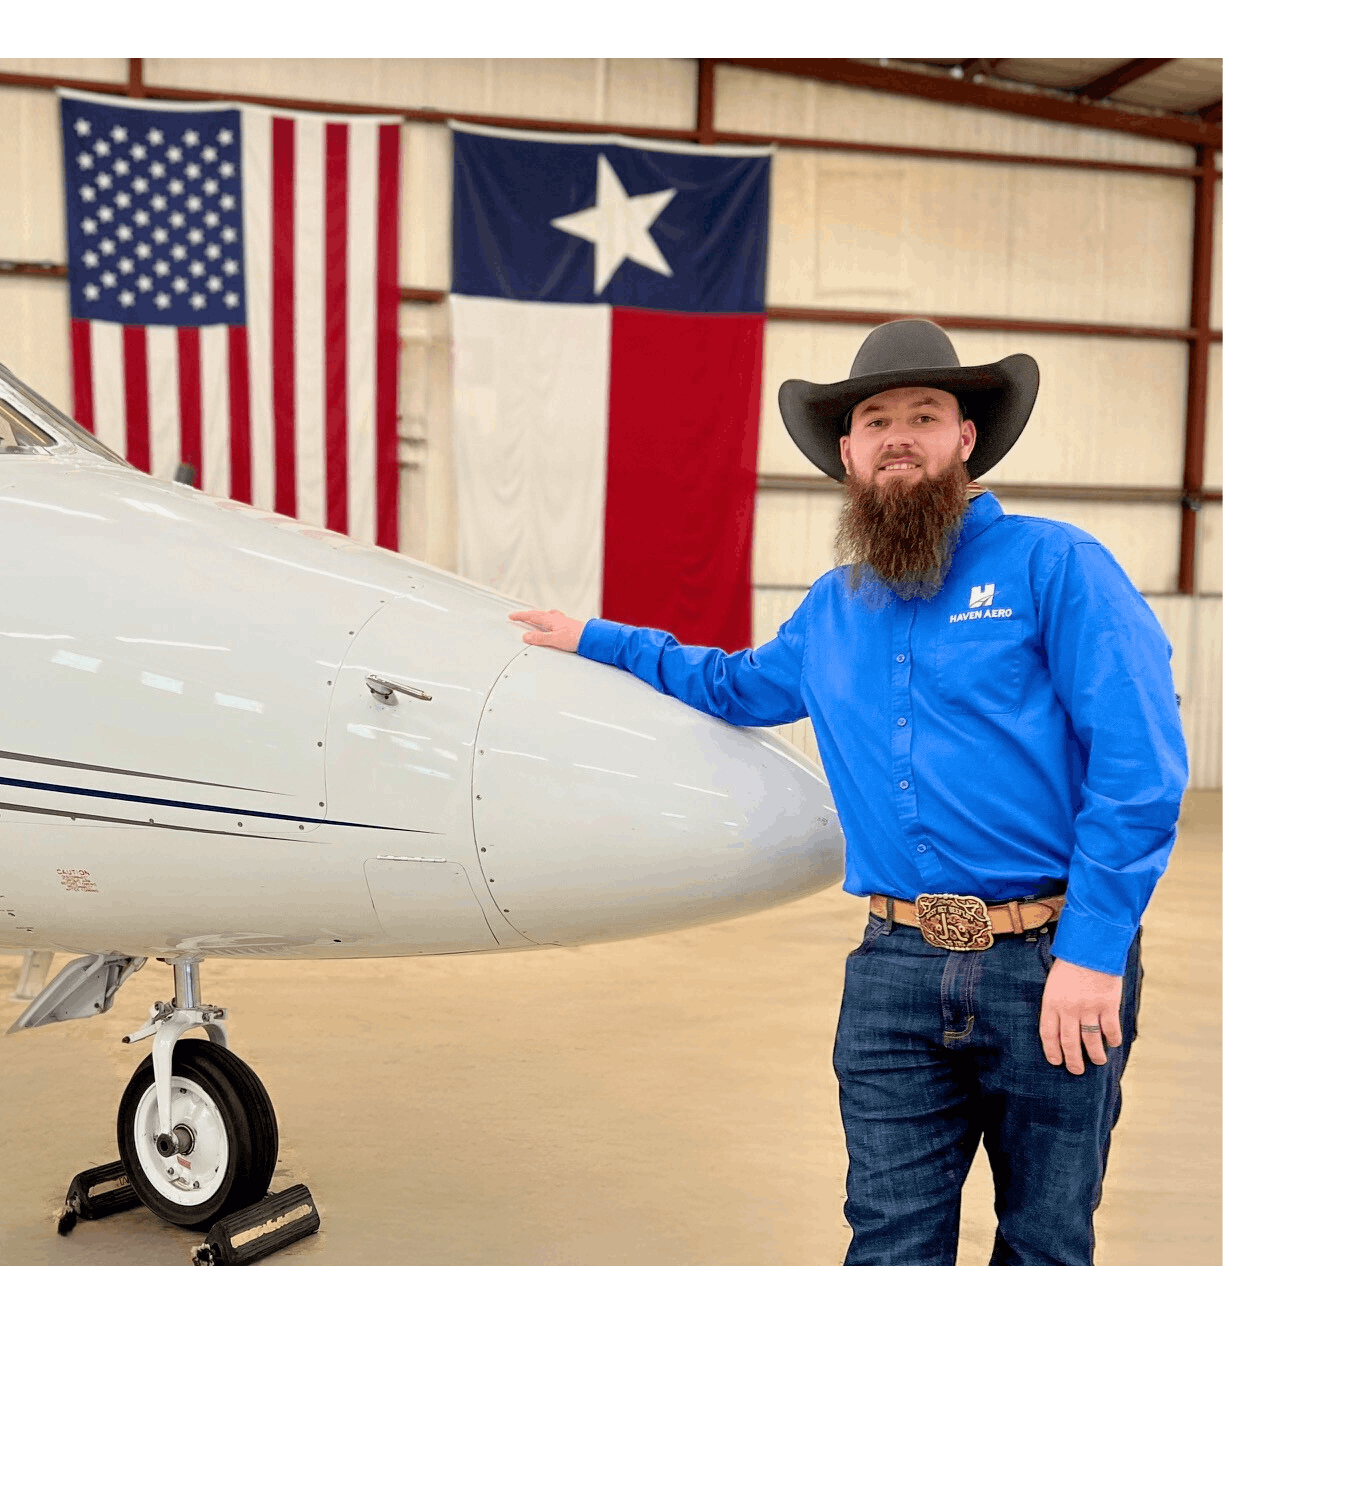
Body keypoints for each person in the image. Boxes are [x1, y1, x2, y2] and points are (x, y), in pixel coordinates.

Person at [509, 319, 1188, 1265]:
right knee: (889, 1242)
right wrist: (597, 638)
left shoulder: (1054, 567)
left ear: (965, 439)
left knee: (1043, 1244)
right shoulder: (835, 605)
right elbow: (735, 686)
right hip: (895, 970)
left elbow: (1140, 767)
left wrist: (1094, 950)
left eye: (924, 414)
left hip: (1050, 964)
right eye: (876, 420)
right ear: (848, 452)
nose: (898, 434)